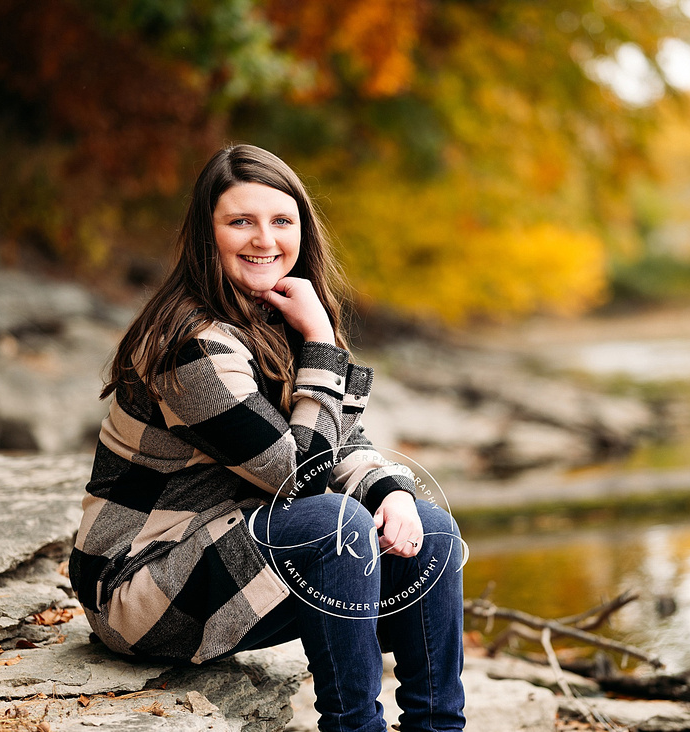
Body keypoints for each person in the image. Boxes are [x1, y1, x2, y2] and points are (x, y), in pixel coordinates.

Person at [69, 143, 466, 732]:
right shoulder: (191, 346)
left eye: (282, 221)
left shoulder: (274, 316)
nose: (264, 239)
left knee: (428, 531)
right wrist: (322, 344)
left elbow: (344, 442)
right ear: (206, 235)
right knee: (334, 525)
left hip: (223, 554)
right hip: (139, 590)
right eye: (240, 222)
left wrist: (393, 494)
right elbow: (300, 478)